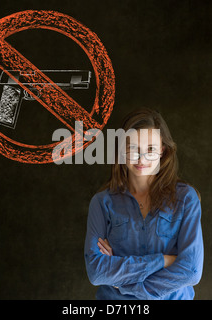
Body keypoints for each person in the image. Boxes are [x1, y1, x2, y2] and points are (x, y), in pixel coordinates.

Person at [84, 108, 204, 300]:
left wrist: (125, 284)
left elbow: (191, 271)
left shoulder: (186, 198)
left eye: (150, 149)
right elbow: (97, 273)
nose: (141, 158)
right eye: (133, 148)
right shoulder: (101, 203)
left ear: (163, 150)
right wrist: (163, 260)